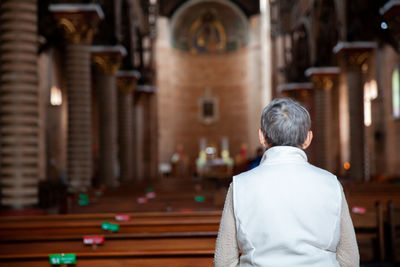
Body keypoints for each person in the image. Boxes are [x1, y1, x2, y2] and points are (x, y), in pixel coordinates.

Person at [214, 98, 359, 267]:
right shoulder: (331, 183)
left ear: (261, 137)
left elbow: (224, 260)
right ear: (308, 138)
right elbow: (349, 259)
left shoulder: (240, 185)